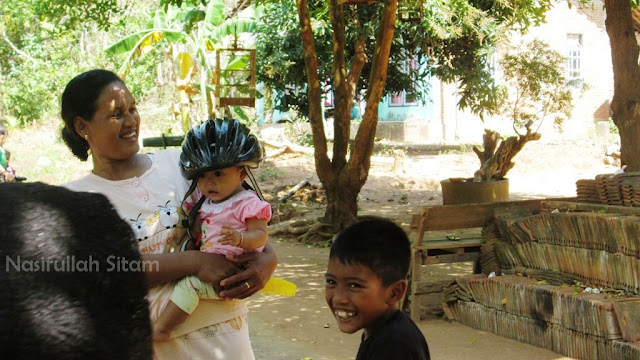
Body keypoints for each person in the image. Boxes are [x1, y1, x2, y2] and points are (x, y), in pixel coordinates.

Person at [60, 69, 277, 359]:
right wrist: (194, 261)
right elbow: (105, 271)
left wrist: (267, 259)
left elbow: (240, 214)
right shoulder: (76, 200)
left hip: (227, 336)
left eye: (133, 109)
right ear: (81, 126)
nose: (131, 121)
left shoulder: (182, 164)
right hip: (154, 345)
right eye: (117, 114)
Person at [153, 118, 271, 342]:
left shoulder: (247, 202)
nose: (210, 183)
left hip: (230, 273)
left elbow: (261, 235)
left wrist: (241, 239)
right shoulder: (206, 202)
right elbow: (200, 230)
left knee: (189, 285)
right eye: (202, 177)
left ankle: (162, 329)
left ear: (242, 174)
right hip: (212, 265)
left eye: (218, 174)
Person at [325, 217, 431, 360]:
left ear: (395, 293)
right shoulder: (381, 331)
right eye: (331, 281)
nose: (338, 298)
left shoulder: (393, 346)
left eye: (354, 285)